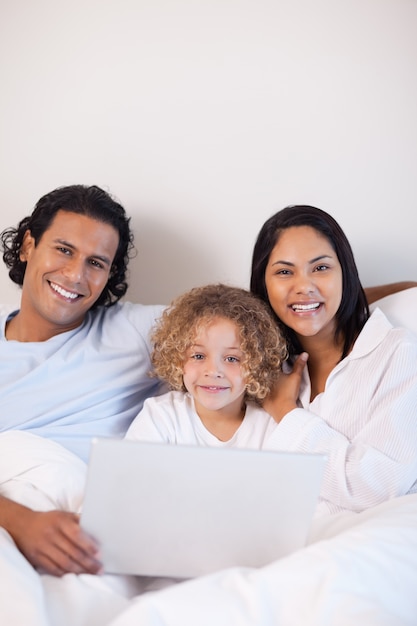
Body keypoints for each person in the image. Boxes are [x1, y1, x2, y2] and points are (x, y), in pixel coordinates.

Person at [0, 184, 166, 577]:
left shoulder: (136, 332)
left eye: (96, 263)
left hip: (90, 538)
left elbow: (238, 326)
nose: (75, 275)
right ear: (27, 246)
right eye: (64, 249)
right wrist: (22, 523)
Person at [249, 205, 417, 515]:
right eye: (285, 271)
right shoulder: (262, 367)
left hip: (363, 546)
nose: (304, 286)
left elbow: (380, 487)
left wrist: (286, 413)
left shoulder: (397, 352)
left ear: (346, 273)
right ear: (264, 284)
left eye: (321, 268)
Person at [126, 283, 287, 447]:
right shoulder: (161, 416)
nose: (213, 371)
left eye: (231, 359)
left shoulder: (269, 426)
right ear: (177, 359)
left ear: (257, 364)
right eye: (198, 356)